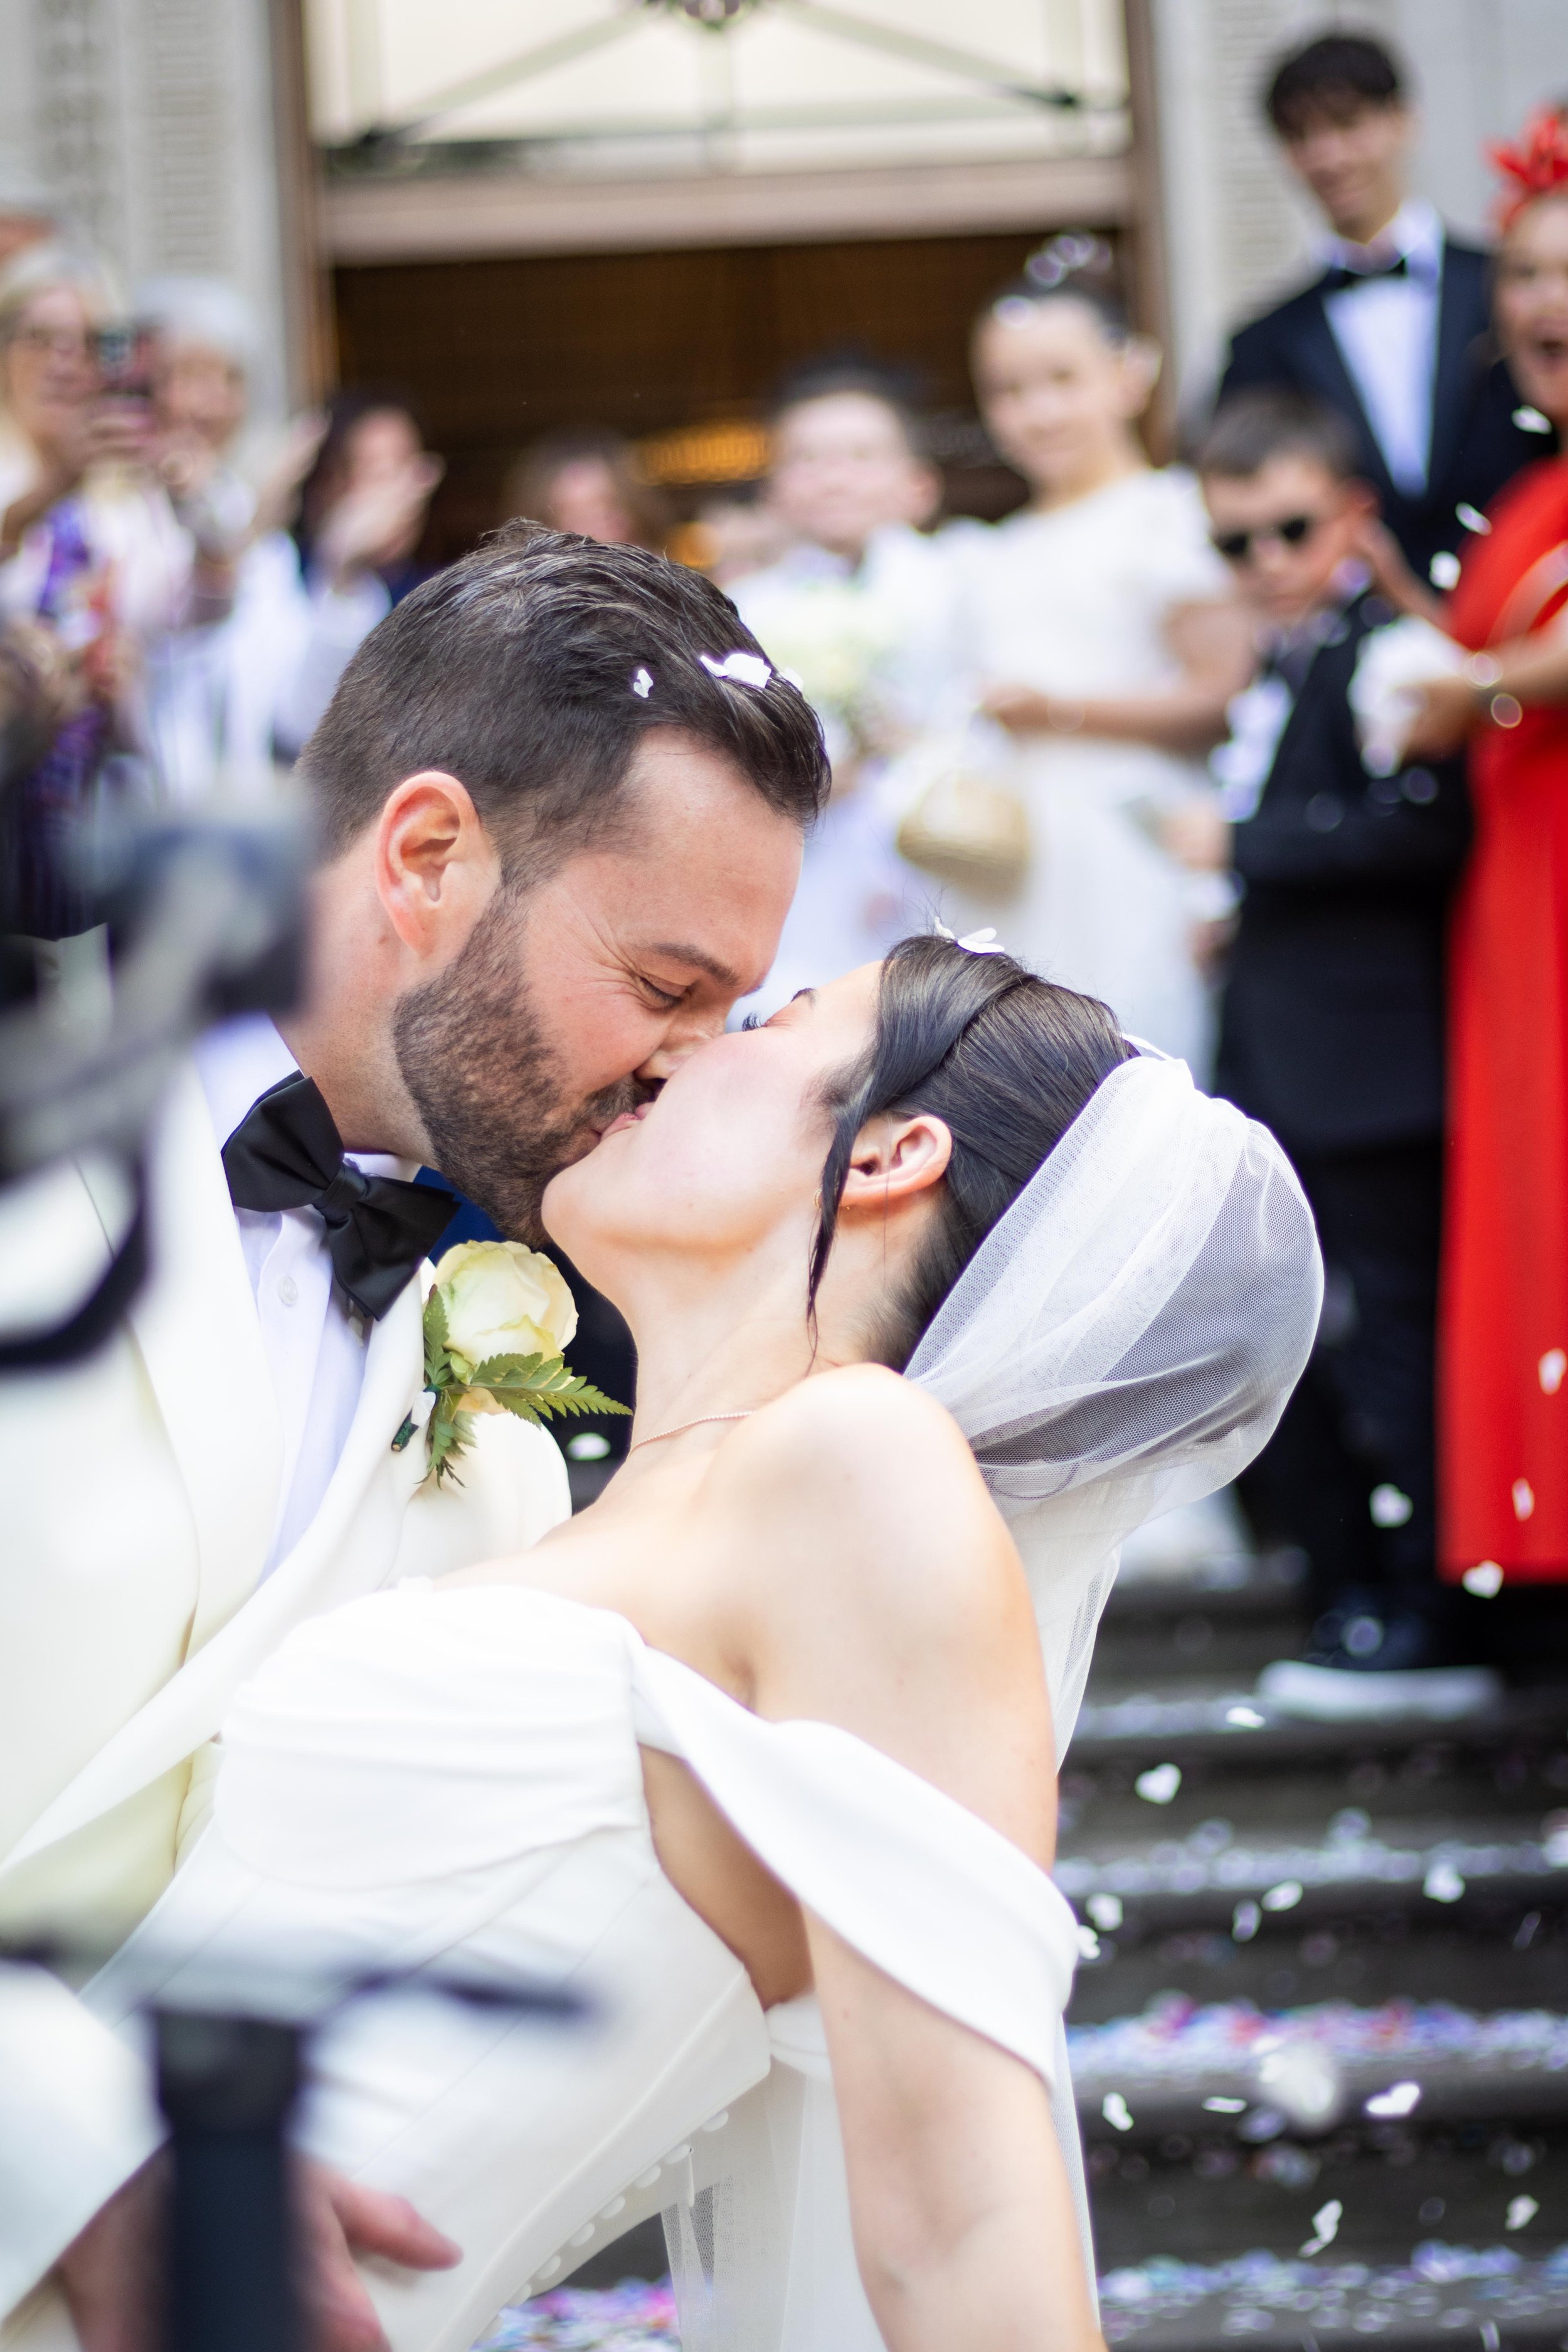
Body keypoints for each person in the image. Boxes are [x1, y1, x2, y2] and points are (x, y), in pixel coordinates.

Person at [6, 935, 1322, 2352]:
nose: (675, 1053)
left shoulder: (858, 1461)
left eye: (764, 1020)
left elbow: (963, 2234)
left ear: (889, 1152)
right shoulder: (537, 1502)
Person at [0, 525, 828, 2348]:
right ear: (430, 853)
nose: (685, 1067)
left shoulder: (519, 1436)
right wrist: (80, 2154)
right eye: (665, 986)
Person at [1189, 391, 1476, 1717]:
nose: (1259, 563)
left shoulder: (1394, 652)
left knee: (1390, 1341)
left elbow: (1419, 833)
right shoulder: (1294, 656)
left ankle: (1425, 1611)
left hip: (1373, 1068)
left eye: (1285, 529)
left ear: (1352, 518)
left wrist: (1242, 855)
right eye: (1231, 542)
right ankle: (1351, 1593)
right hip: (1286, 1052)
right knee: (1296, 1336)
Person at [1391, 117, 1568, 1592]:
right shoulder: (1521, 500)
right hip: (1520, 906)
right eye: (1521, 270)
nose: (1540, 300)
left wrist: (1483, 679)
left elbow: (1513, 669)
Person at [938, 257, 1251, 1069]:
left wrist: (1060, 711)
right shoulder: (990, 549)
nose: (1036, 411)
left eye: (1060, 379)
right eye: (1007, 390)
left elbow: (1227, 692)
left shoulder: (1171, 515)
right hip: (1012, 855)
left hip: (1130, 844)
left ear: (1128, 374)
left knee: (1135, 1063)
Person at [1219, 31, 1550, 591]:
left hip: (1526, 590)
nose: (1327, 155)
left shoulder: (1509, 285)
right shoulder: (1260, 345)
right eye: (1301, 136)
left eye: (1347, 125)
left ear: (1403, 121)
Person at [729, 364, 951, 1015]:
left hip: (941, 852)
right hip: (814, 866)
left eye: (860, 456)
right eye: (807, 459)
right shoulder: (749, 608)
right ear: (774, 489)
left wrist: (922, 746)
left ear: (916, 483)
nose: (834, 476)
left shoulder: (952, 583)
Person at [0, 245, 193, 930]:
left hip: (100, 835)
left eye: (85, 343)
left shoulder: (133, 504)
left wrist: (124, 691)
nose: (64, 361)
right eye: (40, 338)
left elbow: (191, 640)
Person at [272, 390, 445, 765]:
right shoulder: (276, 578)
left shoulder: (440, 598)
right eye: (376, 473)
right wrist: (344, 568)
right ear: (324, 489)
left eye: (408, 469)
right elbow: (300, 736)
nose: (401, 495)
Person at [504, 426, 669, 550]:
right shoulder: (521, 589)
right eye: (569, 513)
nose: (591, 532)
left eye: (606, 507)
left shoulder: (672, 590)